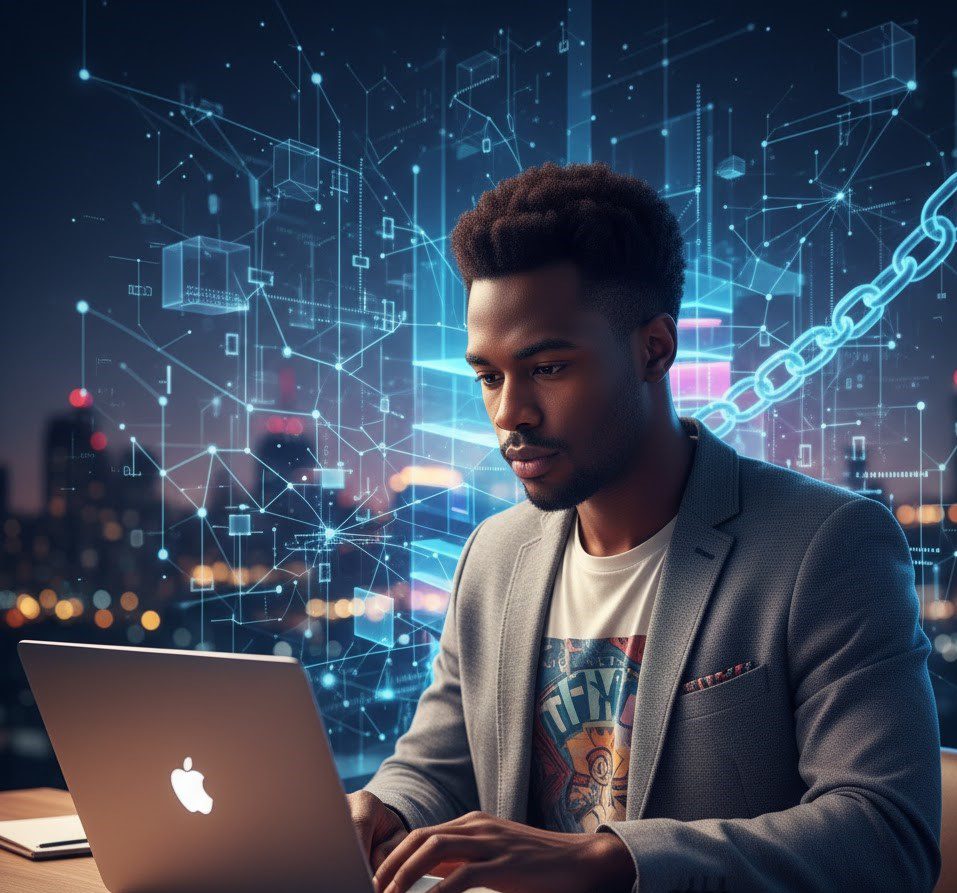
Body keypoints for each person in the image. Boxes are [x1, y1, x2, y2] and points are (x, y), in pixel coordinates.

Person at [347, 161, 941, 893]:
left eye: (549, 367)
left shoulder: (826, 543)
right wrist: (384, 808)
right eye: (490, 376)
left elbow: (887, 835)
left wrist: (612, 859)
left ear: (654, 349)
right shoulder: (492, 555)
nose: (509, 414)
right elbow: (440, 764)